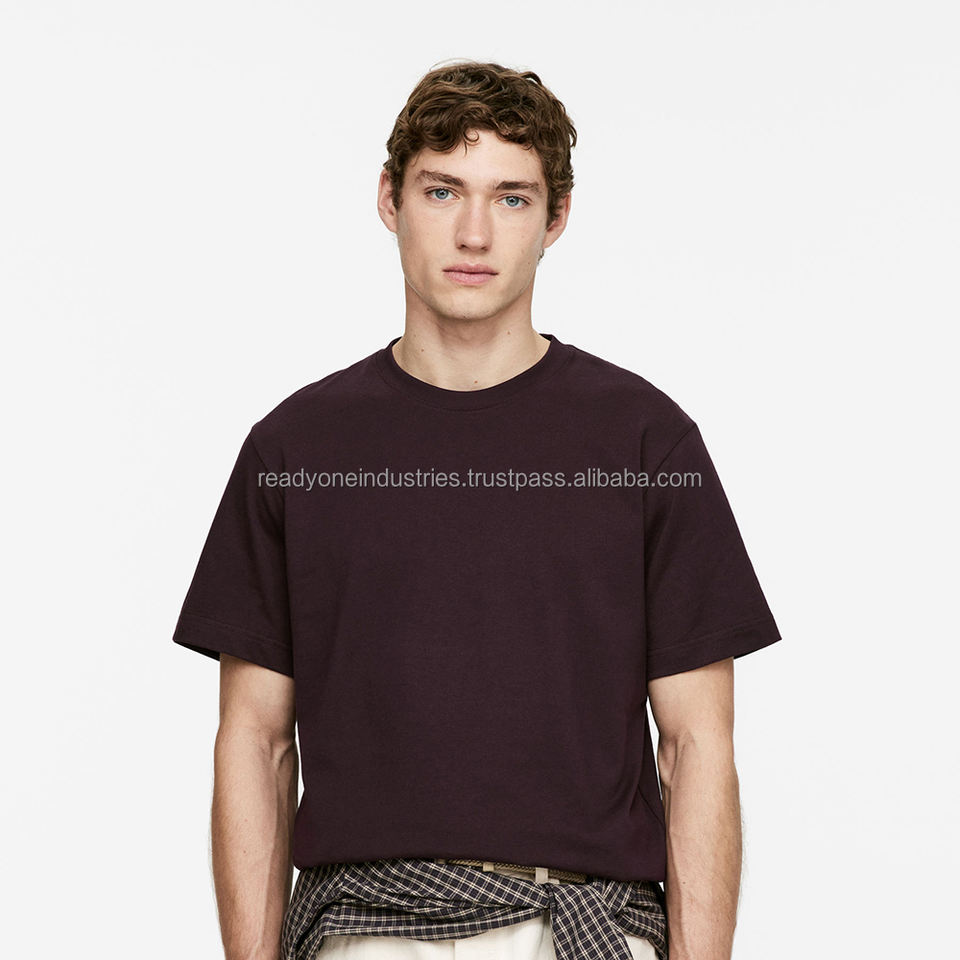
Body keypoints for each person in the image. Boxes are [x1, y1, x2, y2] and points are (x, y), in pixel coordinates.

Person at [172, 60, 782, 960]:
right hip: (364, 930)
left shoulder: (646, 441)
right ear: (390, 198)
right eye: (442, 190)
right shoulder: (295, 449)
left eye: (511, 198)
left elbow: (696, 747)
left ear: (555, 218)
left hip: (582, 927)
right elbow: (255, 743)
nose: (473, 232)